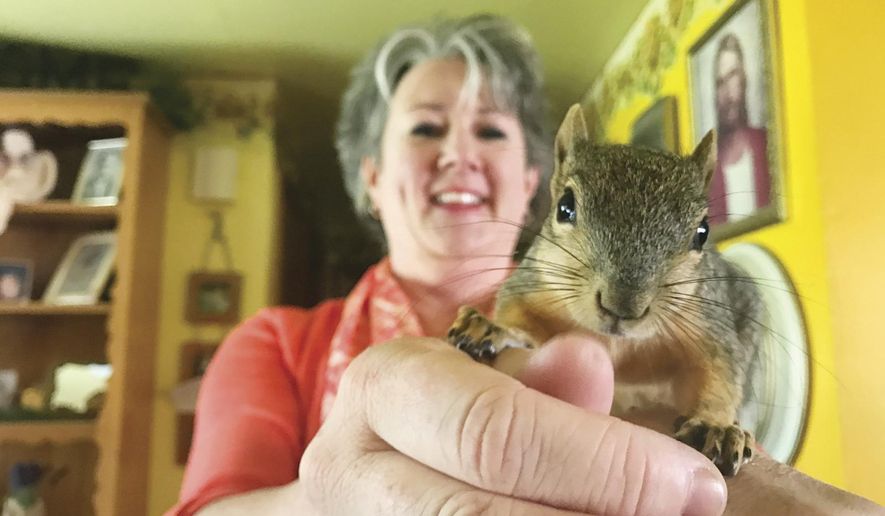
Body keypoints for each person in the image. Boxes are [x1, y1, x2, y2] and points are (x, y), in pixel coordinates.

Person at [169, 14, 883, 516]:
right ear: (372, 179)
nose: (458, 152)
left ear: (530, 178)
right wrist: (327, 500)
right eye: (424, 127)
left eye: (489, 129)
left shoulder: (674, 308)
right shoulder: (276, 345)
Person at [707, 32, 771, 225]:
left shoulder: (767, 144)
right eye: (720, 83)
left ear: (744, 79)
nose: (727, 92)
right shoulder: (709, 169)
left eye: (732, 76)